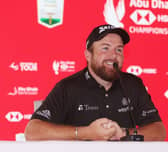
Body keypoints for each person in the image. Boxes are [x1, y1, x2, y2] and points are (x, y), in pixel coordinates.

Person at [24, 24, 166, 141]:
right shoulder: (68, 87)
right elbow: (32, 131)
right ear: (88, 55)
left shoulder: (133, 84)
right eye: (105, 48)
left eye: (119, 49)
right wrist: (86, 133)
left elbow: (159, 131)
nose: (113, 55)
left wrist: (124, 133)